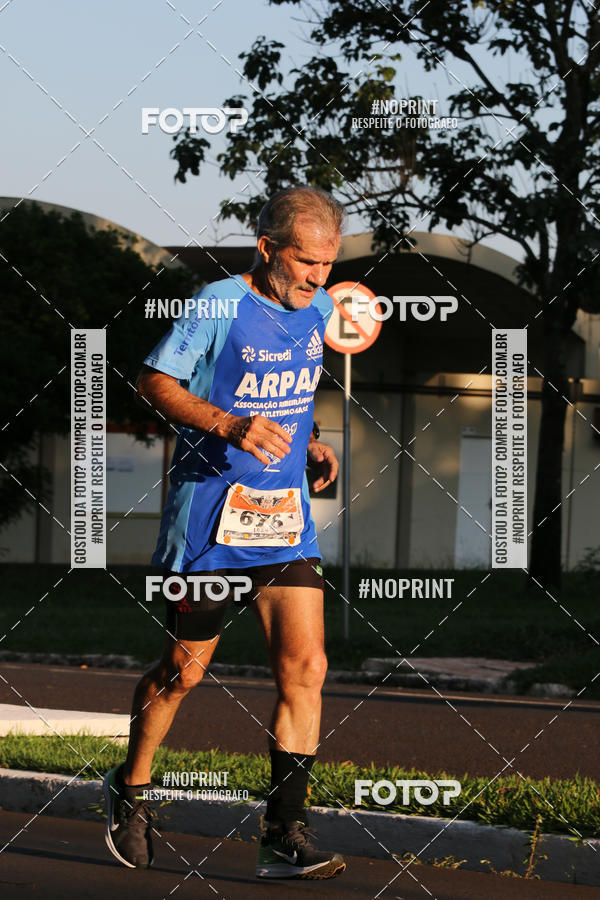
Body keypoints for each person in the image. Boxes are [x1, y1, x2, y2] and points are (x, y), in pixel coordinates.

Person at [103, 185, 346, 880]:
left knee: (308, 669)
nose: (316, 279)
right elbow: (154, 380)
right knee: (183, 673)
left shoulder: (320, 307)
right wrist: (230, 425)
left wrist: (310, 444)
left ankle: (282, 831)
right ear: (266, 248)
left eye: (326, 265)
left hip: (284, 525)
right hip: (209, 525)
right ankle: (132, 787)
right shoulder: (217, 303)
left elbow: (292, 391)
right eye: (304, 262)